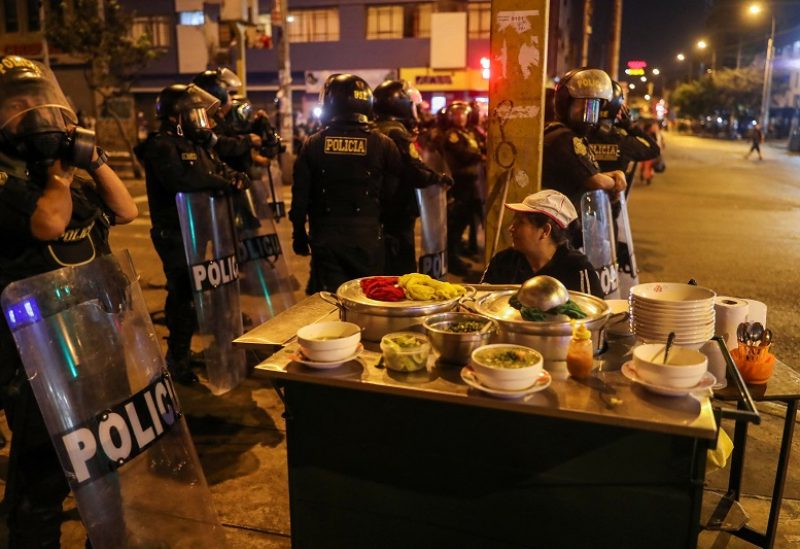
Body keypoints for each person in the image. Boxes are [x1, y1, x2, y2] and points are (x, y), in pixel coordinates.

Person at [0, 55, 137, 547]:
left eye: (41, 101)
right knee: (42, 473)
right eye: (19, 104)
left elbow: (124, 210)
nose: (35, 113)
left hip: (93, 341)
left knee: (103, 458)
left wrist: (93, 160)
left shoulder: (67, 176)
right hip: (36, 354)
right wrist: (58, 177)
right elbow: (48, 225)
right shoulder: (10, 181)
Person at [135, 83, 248, 384]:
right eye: (195, 113)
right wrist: (222, 182)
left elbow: (221, 170)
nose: (203, 120)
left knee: (207, 290)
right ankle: (178, 359)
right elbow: (184, 179)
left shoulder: (196, 143)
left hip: (203, 229)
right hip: (174, 233)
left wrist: (236, 178)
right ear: (176, 116)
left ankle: (214, 351)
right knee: (183, 295)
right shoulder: (162, 146)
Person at [290, 73, 402, 292]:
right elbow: (392, 197)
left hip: (326, 236)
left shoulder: (313, 144)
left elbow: (300, 195)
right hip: (368, 236)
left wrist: (299, 234)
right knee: (367, 298)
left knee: (330, 302)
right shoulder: (384, 144)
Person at [372, 79, 452, 274]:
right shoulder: (396, 132)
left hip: (379, 209)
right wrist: (437, 178)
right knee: (401, 268)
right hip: (396, 209)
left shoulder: (376, 128)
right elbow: (413, 170)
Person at [481, 190, 603, 297]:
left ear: (545, 230)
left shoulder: (577, 269)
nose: (511, 228)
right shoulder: (503, 261)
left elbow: (592, 317)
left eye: (521, 222)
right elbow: (480, 302)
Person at [542, 68, 627, 214]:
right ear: (565, 105)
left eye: (593, 107)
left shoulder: (562, 133)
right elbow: (594, 181)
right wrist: (616, 181)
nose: (588, 115)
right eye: (582, 107)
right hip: (558, 220)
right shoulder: (564, 138)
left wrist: (615, 173)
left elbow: (583, 174)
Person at [587, 80, 660, 190]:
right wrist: (631, 128)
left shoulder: (578, 137)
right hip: (612, 202)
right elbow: (654, 150)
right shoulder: (623, 141)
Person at [441, 101, 484, 275]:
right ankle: (452, 260)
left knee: (466, 220)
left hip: (472, 184)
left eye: (464, 114)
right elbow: (464, 155)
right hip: (460, 183)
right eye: (457, 115)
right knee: (456, 224)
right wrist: (480, 154)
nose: (461, 118)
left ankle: (457, 253)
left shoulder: (469, 132)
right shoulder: (452, 135)